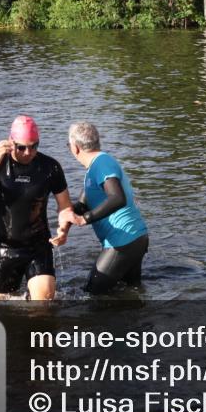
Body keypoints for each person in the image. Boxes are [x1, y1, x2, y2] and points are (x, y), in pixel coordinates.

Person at [0, 115, 72, 300]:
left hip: (39, 246)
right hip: (5, 248)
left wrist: (64, 229)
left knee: (43, 306)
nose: (28, 152)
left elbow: (65, 206)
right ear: (10, 142)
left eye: (34, 146)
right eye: (21, 147)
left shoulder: (50, 167)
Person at [60, 122, 149, 294]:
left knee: (92, 293)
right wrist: (64, 225)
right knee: (131, 293)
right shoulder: (95, 168)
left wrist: (84, 219)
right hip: (135, 237)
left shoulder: (102, 164)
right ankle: (143, 321)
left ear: (75, 148)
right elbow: (81, 205)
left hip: (123, 240)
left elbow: (117, 198)